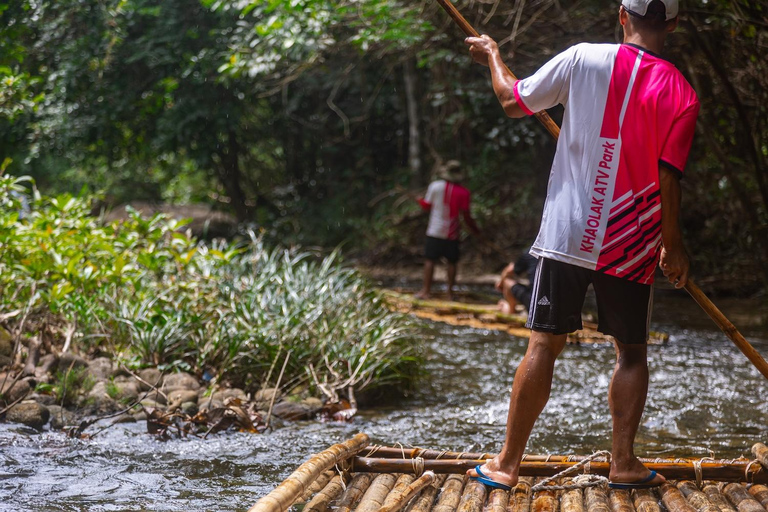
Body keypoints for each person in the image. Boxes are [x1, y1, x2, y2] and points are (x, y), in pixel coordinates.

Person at [464, 0, 698, 491]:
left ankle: (506, 466)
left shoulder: (581, 58)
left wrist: (492, 54)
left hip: (568, 230)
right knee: (631, 354)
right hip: (631, 236)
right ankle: (624, 464)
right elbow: (668, 176)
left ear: (622, 15)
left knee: (544, 345)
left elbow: (512, 100)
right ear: (673, 24)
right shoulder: (681, 91)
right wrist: (672, 245)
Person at [416, 160, 481, 301]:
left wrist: (419, 200)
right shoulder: (464, 192)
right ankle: (449, 294)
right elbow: (466, 215)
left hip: (434, 230)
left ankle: (425, 291)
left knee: (430, 260)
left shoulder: (435, 186)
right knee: (452, 262)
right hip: (452, 233)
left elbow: (426, 206)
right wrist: (475, 230)